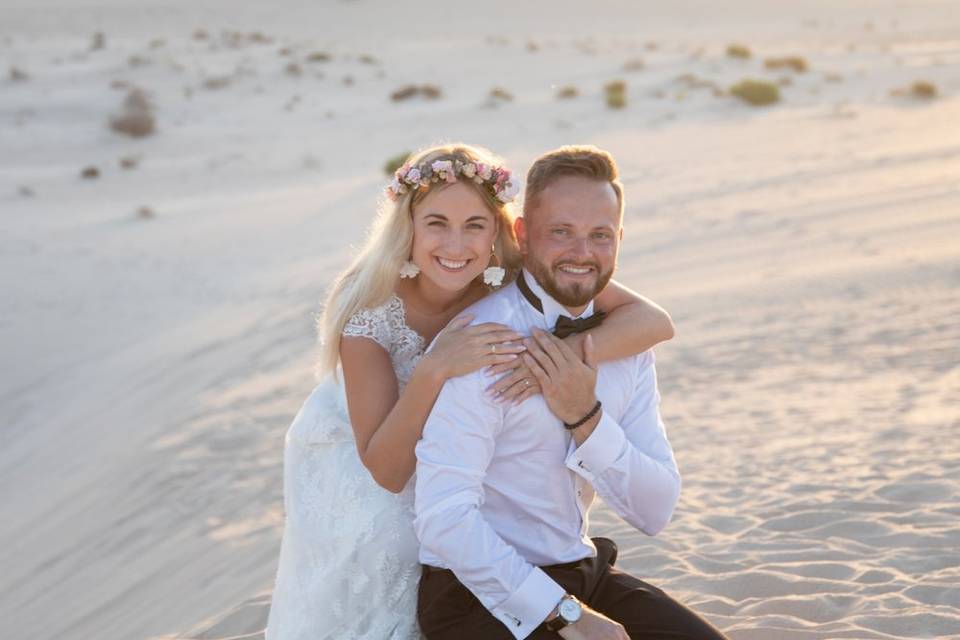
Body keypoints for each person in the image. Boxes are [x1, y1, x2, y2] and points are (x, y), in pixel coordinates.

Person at [264, 143, 676, 640]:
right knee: (382, 580)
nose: (456, 245)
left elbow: (654, 321)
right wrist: (433, 369)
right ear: (408, 229)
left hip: (467, 491)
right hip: (374, 469)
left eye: (474, 225)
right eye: (436, 223)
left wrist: (566, 362)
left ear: (501, 235)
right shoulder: (371, 317)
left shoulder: (529, 269)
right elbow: (387, 471)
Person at [414, 146, 729, 639]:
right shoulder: (480, 343)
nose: (582, 252)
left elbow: (655, 509)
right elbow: (444, 519)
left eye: (599, 235)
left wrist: (585, 417)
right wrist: (565, 616)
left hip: (581, 570)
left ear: (619, 240)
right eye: (561, 231)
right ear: (522, 235)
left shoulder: (627, 344)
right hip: (475, 593)